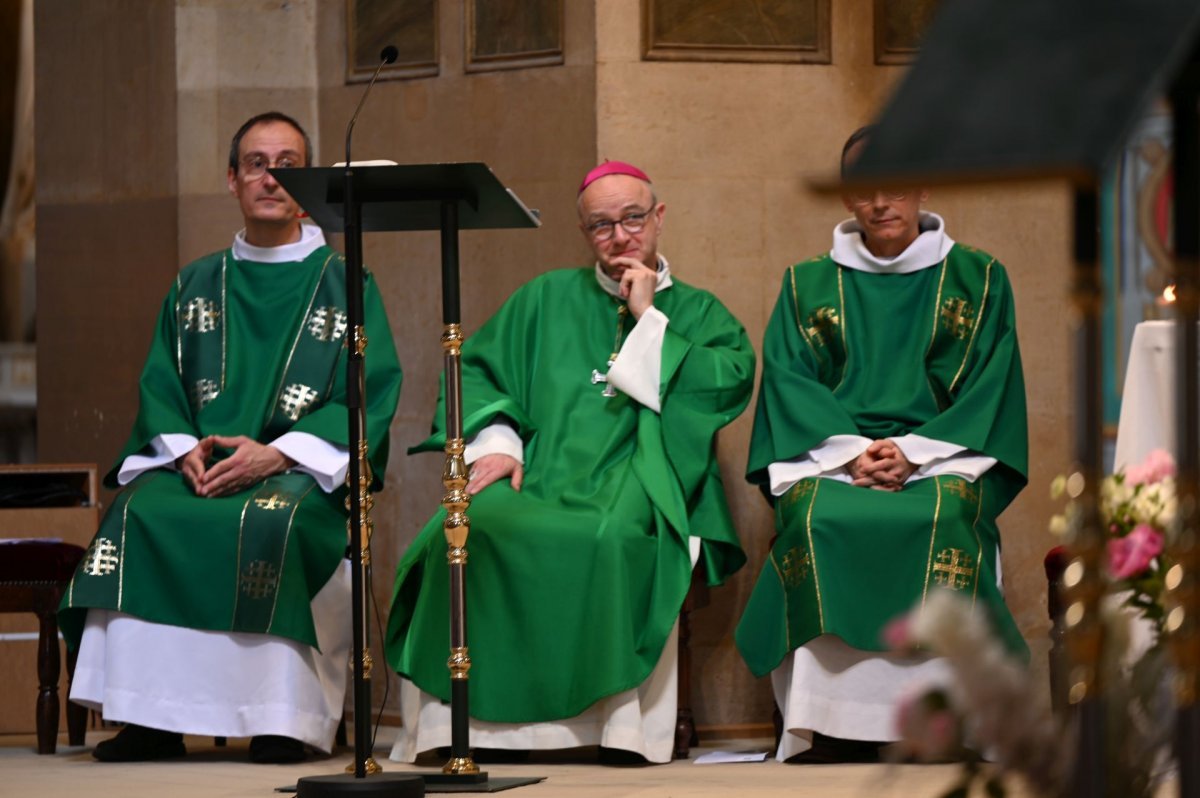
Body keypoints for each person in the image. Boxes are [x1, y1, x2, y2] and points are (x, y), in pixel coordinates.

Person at [58, 111, 403, 763]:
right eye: (257, 163)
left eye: (290, 164)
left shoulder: (345, 282)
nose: (273, 177)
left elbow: (370, 390)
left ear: (312, 181)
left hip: (297, 472)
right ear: (232, 179)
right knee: (139, 512)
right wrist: (181, 448)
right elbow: (160, 380)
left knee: (277, 522)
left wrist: (278, 452)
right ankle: (152, 718)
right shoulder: (194, 283)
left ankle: (281, 718)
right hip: (201, 467)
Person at [385, 161, 755, 764]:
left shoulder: (700, 311)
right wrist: (500, 443)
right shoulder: (543, 297)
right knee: (461, 531)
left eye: (633, 218)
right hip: (540, 471)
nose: (620, 236)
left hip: (639, 473)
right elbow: (474, 370)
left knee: (609, 538)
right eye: (601, 225)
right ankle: (459, 730)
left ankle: (617, 731)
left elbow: (728, 383)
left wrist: (648, 319)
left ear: (658, 218)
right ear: (584, 232)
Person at [735, 126, 1028, 763]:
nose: (880, 203)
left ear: (923, 188)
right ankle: (821, 724)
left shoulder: (978, 279)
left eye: (895, 186)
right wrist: (849, 453)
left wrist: (916, 453)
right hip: (836, 462)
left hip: (941, 459)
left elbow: (991, 388)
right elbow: (788, 383)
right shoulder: (804, 284)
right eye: (862, 191)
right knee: (816, 517)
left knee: (946, 514)